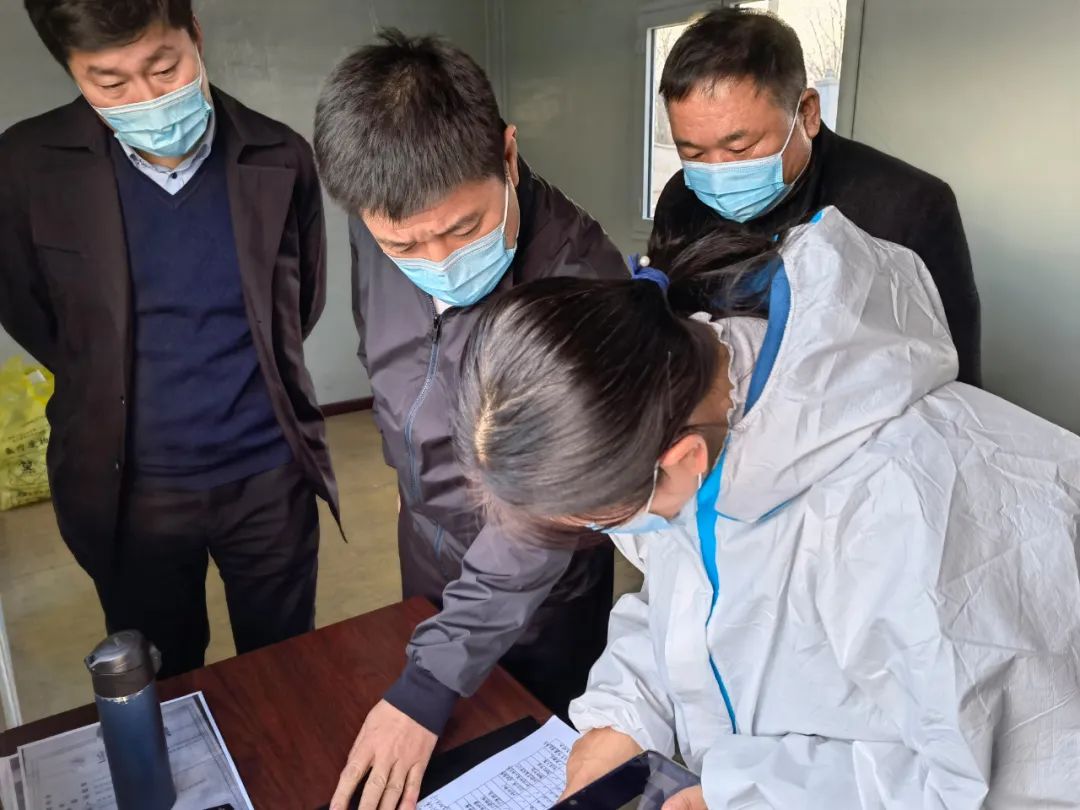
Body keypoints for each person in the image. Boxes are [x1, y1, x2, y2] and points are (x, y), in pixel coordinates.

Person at [454, 207, 1080, 809]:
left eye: (604, 520)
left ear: (684, 459)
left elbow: (993, 781)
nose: (619, 531)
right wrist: (624, 719)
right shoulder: (687, 401)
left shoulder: (905, 513)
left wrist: (752, 791)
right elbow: (686, 605)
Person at [313, 30, 627, 810]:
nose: (437, 261)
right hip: (425, 536)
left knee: (527, 750)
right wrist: (409, 479)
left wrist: (428, 684)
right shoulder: (382, 214)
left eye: (463, 229)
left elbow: (540, 524)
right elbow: (391, 362)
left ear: (508, 156)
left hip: (538, 577)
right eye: (405, 244)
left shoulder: (581, 290)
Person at [0, 0, 339, 678]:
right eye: (110, 82)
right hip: (130, 490)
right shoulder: (26, 167)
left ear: (195, 37)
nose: (147, 99)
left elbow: (298, 305)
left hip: (268, 475)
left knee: (281, 668)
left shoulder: (278, 154)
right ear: (71, 70)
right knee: (164, 674)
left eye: (164, 68)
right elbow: (30, 309)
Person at [652, 7, 982, 387]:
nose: (717, 171)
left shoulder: (908, 207)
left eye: (739, 148)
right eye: (693, 153)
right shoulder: (681, 199)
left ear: (807, 113)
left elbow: (956, 378)